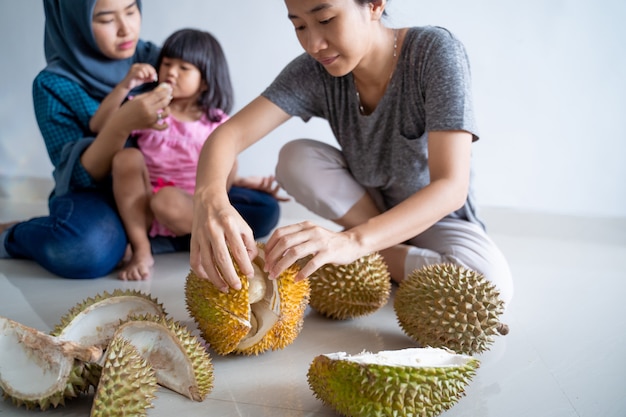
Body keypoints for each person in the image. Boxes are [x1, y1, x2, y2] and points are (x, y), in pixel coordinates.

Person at [189, 0, 514, 306]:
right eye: (299, 26)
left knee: (492, 285)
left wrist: (352, 242)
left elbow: (451, 187)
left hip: (437, 219)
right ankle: (381, 255)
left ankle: (369, 254)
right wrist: (210, 199)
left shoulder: (434, 52)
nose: (314, 44)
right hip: (369, 206)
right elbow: (227, 136)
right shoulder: (313, 71)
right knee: (295, 157)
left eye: (326, 20)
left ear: (374, 4)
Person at [0, 0, 280, 279]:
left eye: (132, 10)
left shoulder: (151, 58)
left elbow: (211, 140)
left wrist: (232, 180)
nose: (126, 30)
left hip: (174, 192)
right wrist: (122, 122)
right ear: (76, 21)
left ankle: (149, 239)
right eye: (107, 19)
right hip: (104, 193)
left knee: (264, 210)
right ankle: (15, 234)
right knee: (84, 250)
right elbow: (78, 177)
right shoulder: (53, 85)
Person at [94, 28, 284, 281]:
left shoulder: (215, 122)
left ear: (205, 80)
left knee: (217, 168)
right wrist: (125, 86)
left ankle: (207, 238)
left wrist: (237, 182)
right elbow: (99, 126)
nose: (171, 71)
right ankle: (142, 249)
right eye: (167, 63)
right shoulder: (150, 108)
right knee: (126, 158)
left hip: (187, 207)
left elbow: (220, 172)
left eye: (184, 68)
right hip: (143, 206)